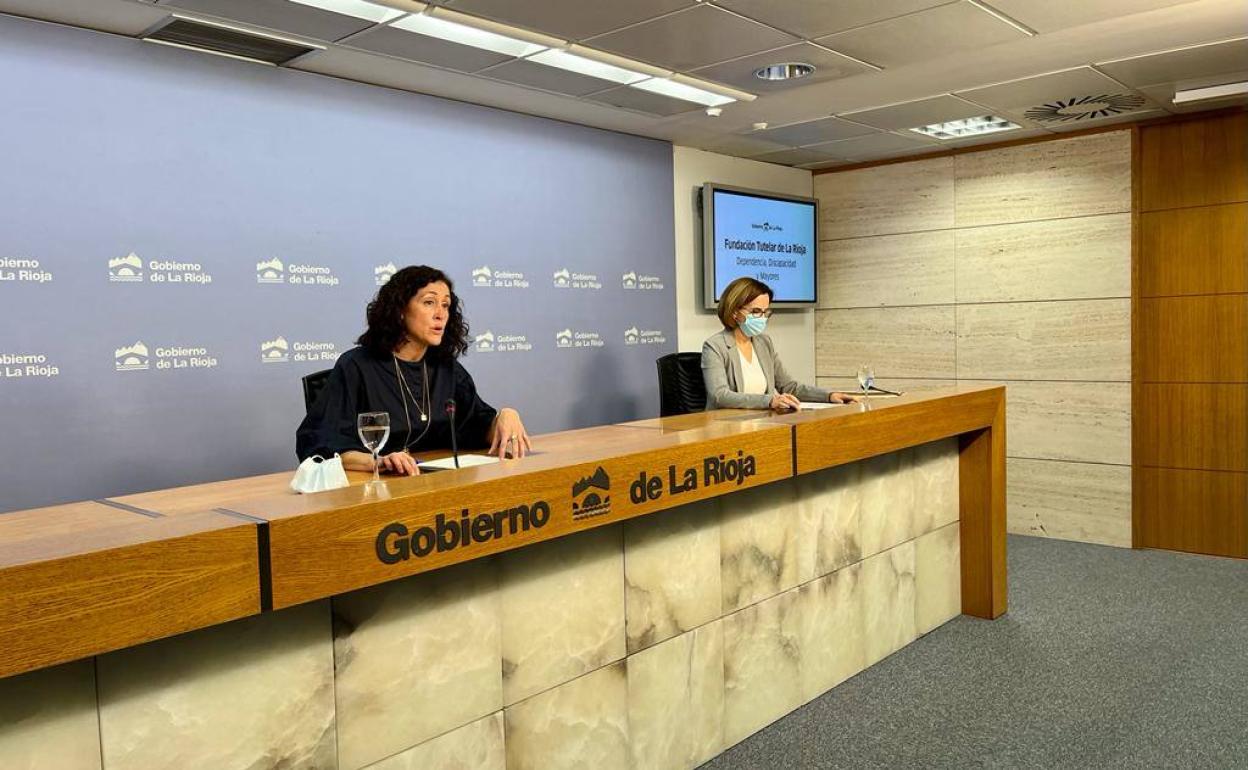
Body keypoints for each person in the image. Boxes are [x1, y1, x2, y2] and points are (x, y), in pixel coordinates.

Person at [296, 265, 531, 475]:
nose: (441, 313)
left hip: (432, 486)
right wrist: (377, 461)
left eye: (446, 305)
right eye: (429, 302)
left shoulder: (447, 369)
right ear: (400, 310)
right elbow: (320, 442)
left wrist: (505, 415)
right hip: (371, 489)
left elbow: (476, 426)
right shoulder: (356, 366)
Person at [702, 276, 858, 410]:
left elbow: (789, 386)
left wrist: (829, 396)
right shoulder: (715, 346)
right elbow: (720, 396)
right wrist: (770, 401)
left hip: (762, 422)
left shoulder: (764, 342)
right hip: (726, 426)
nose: (762, 318)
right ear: (735, 312)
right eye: (756, 312)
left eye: (765, 312)